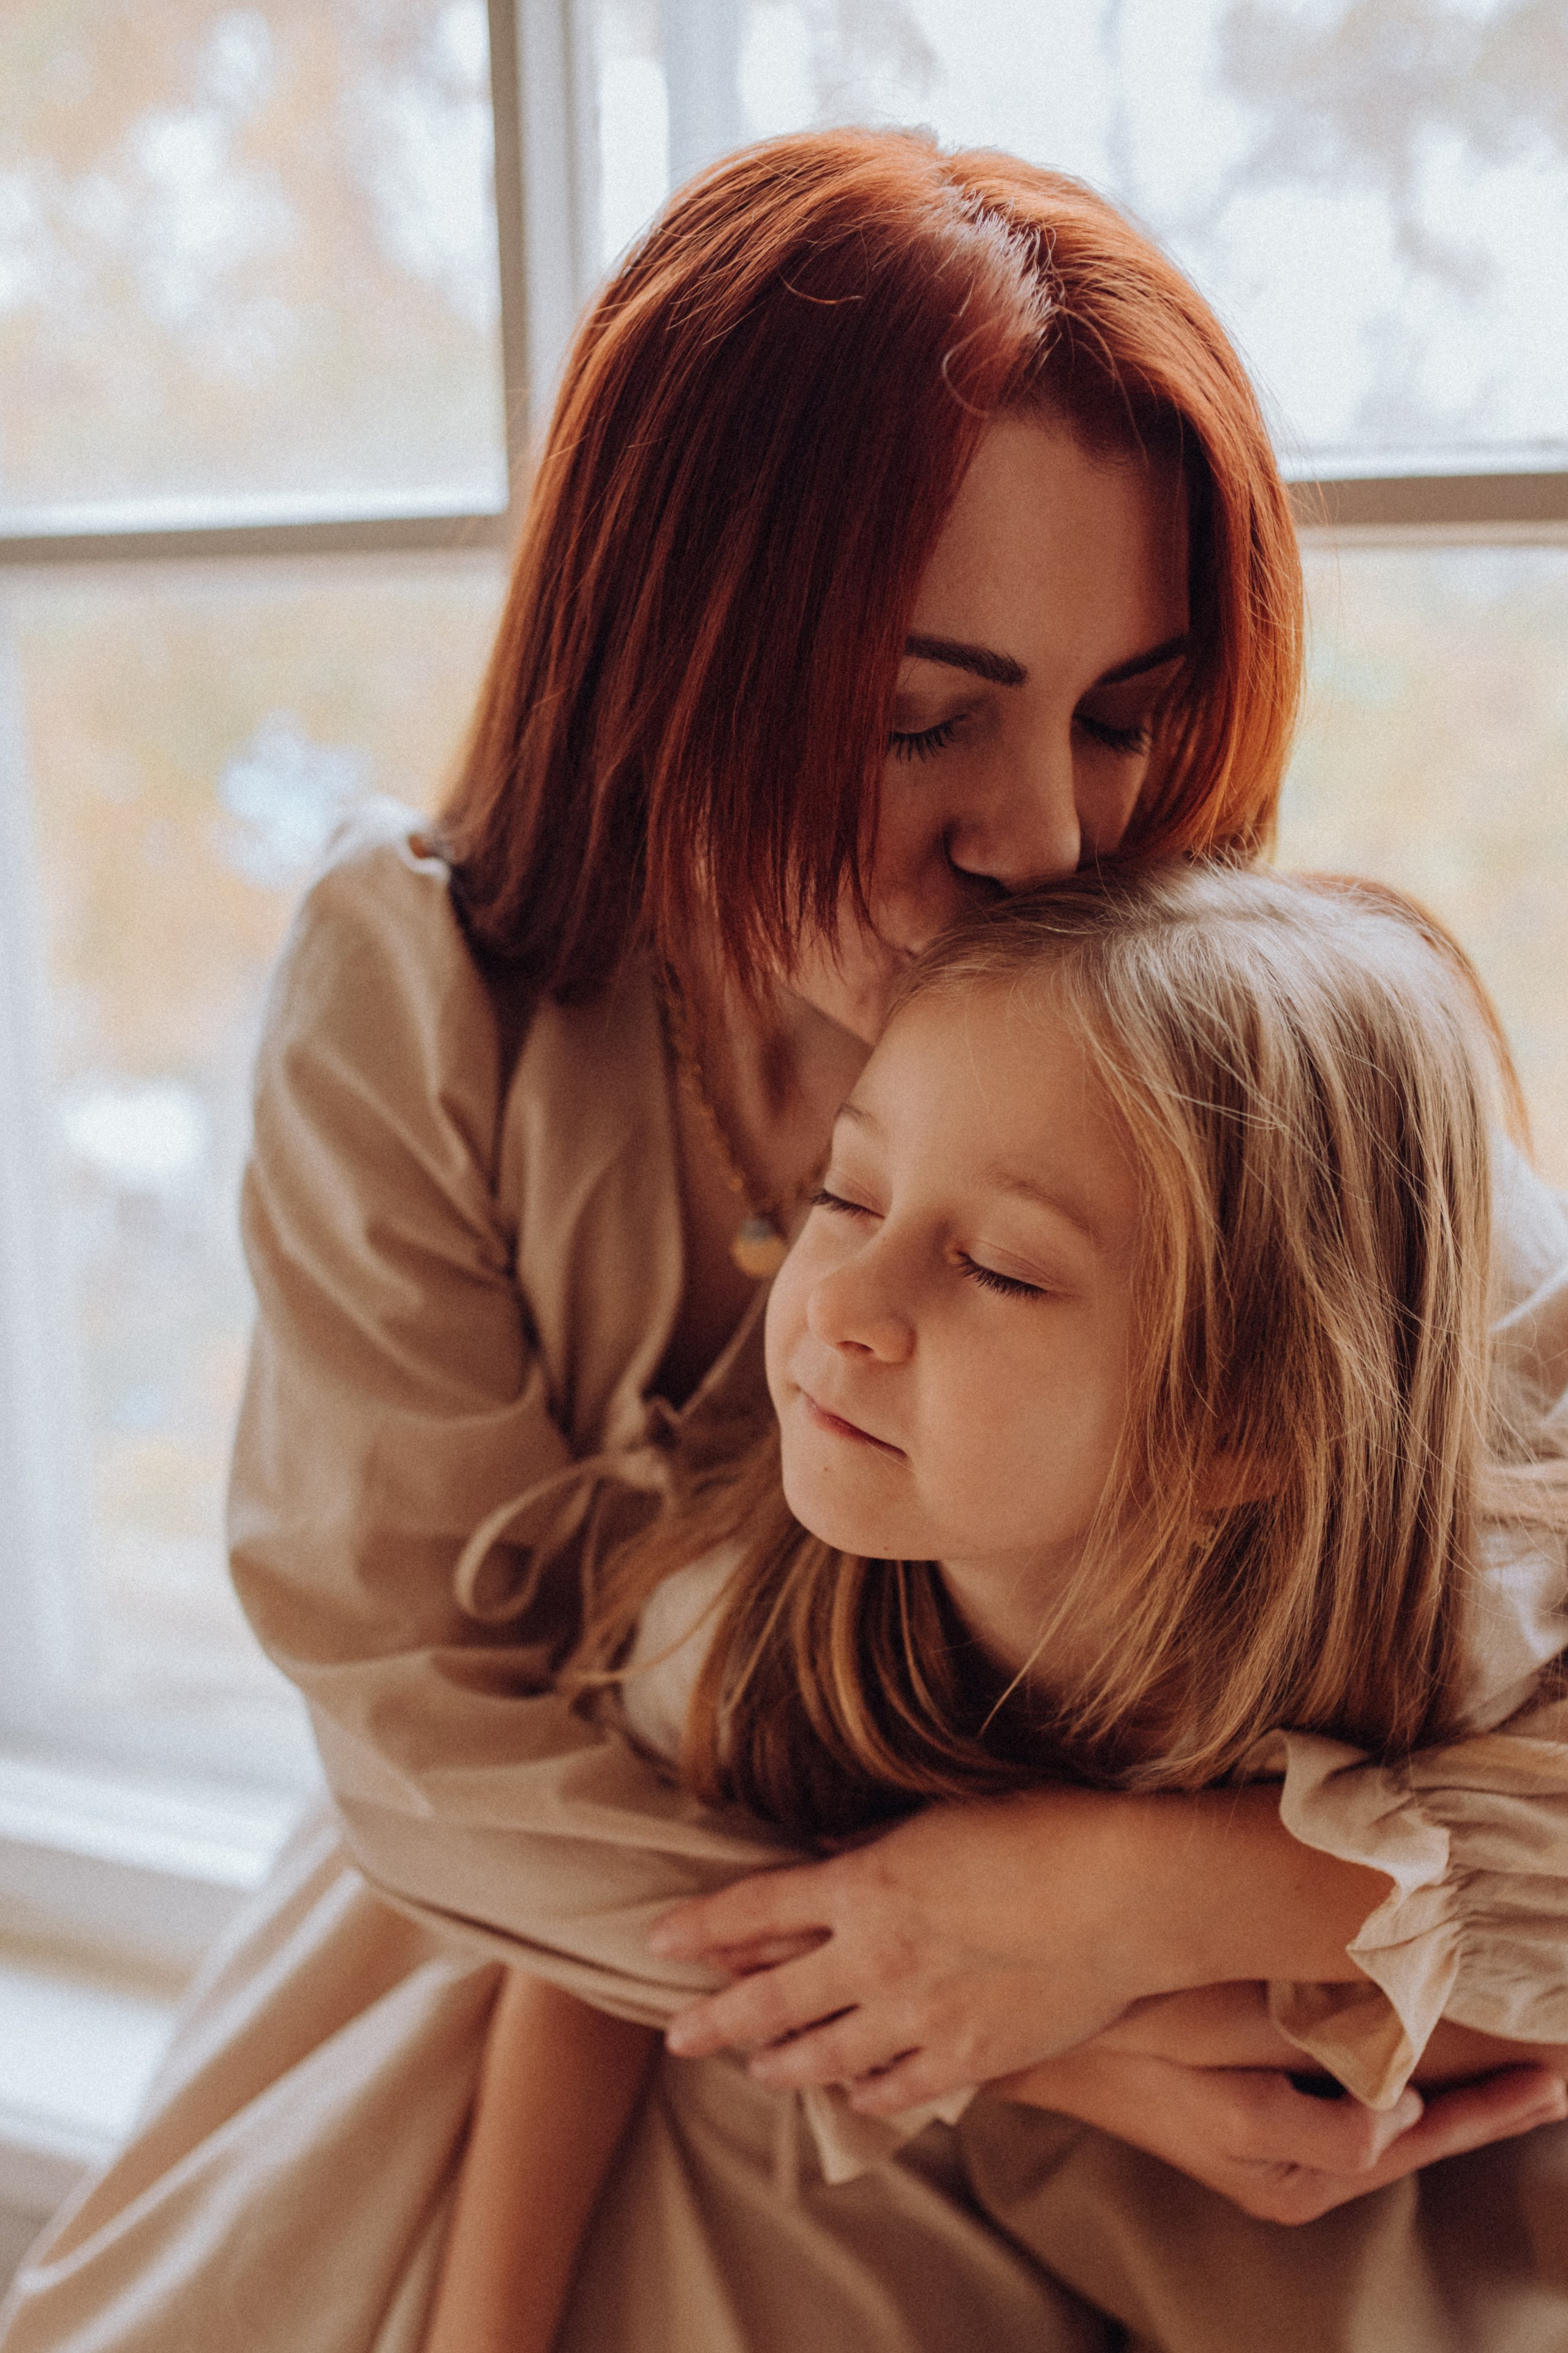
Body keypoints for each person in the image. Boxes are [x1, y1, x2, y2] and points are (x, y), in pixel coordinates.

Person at [5, 128, 1568, 2353]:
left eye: (1122, 715)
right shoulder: (427, 991)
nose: (1043, 832)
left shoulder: (1214, 1057)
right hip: (558, 1940)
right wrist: (993, 2005)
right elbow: (424, 1728)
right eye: (928, 714)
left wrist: (1137, 1907)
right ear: (671, 646)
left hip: (1214, 2033)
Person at [420, 864, 1568, 2353]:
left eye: (998, 1269)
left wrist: (1157, 1920)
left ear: (1239, 1426)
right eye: (846, 1192)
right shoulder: (742, 1638)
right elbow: (592, 1976)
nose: (842, 1299)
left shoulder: (1461, 1613)